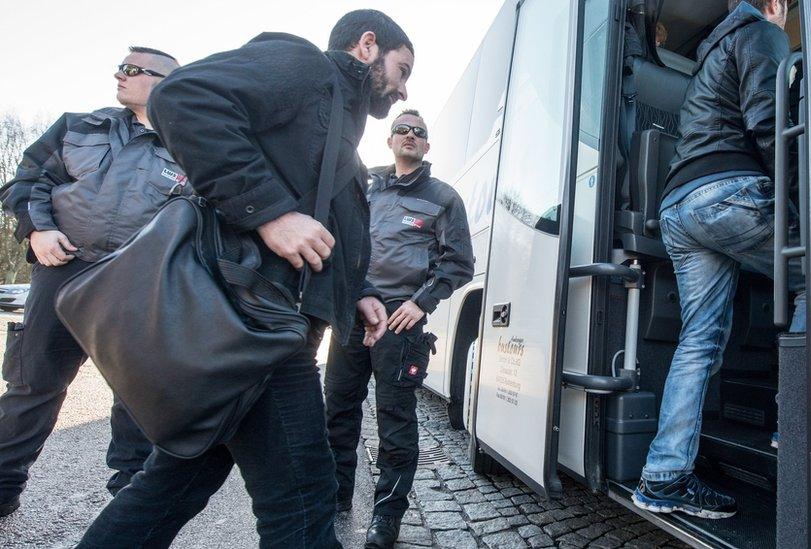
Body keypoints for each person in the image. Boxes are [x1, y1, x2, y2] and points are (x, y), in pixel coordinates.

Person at [76, 10, 413, 547]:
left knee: (176, 484)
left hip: (271, 326)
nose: (401, 89)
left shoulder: (342, 139)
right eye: (402, 68)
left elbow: (326, 236)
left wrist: (363, 294)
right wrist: (270, 213)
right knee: (304, 500)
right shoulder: (302, 64)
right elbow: (182, 99)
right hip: (252, 324)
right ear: (368, 46)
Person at [631, 0, 803, 519]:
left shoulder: (709, 55)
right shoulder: (764, 34)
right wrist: (803, 205)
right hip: (729, 194)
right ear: (776, 4)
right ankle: (793, 434)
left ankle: (663, 478)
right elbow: (769, 121)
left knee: (700, 339)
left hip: (680, 206)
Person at [0, 47, 183, 517]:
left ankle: (129, 510)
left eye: (132, 70)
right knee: (31, 387)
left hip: (136, 287)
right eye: (120, 67)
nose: (119, 75)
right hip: (62, 273)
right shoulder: (79, 126)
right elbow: (26, 182)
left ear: (165, 83)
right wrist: (38, 229)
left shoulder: (192, 145)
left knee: (138, 401)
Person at [325, 109, 473, 548]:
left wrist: (419, 302)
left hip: (399, 322)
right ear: (389, 139)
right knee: (338, 411)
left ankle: (386, 517)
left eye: (419, 132)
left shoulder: (443, 197)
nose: (410, 135)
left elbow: (459, 263)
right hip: (351, 314)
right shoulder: (364, 187)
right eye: (402, 129)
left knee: (394, 421)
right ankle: (336, 498)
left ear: (427, 146)